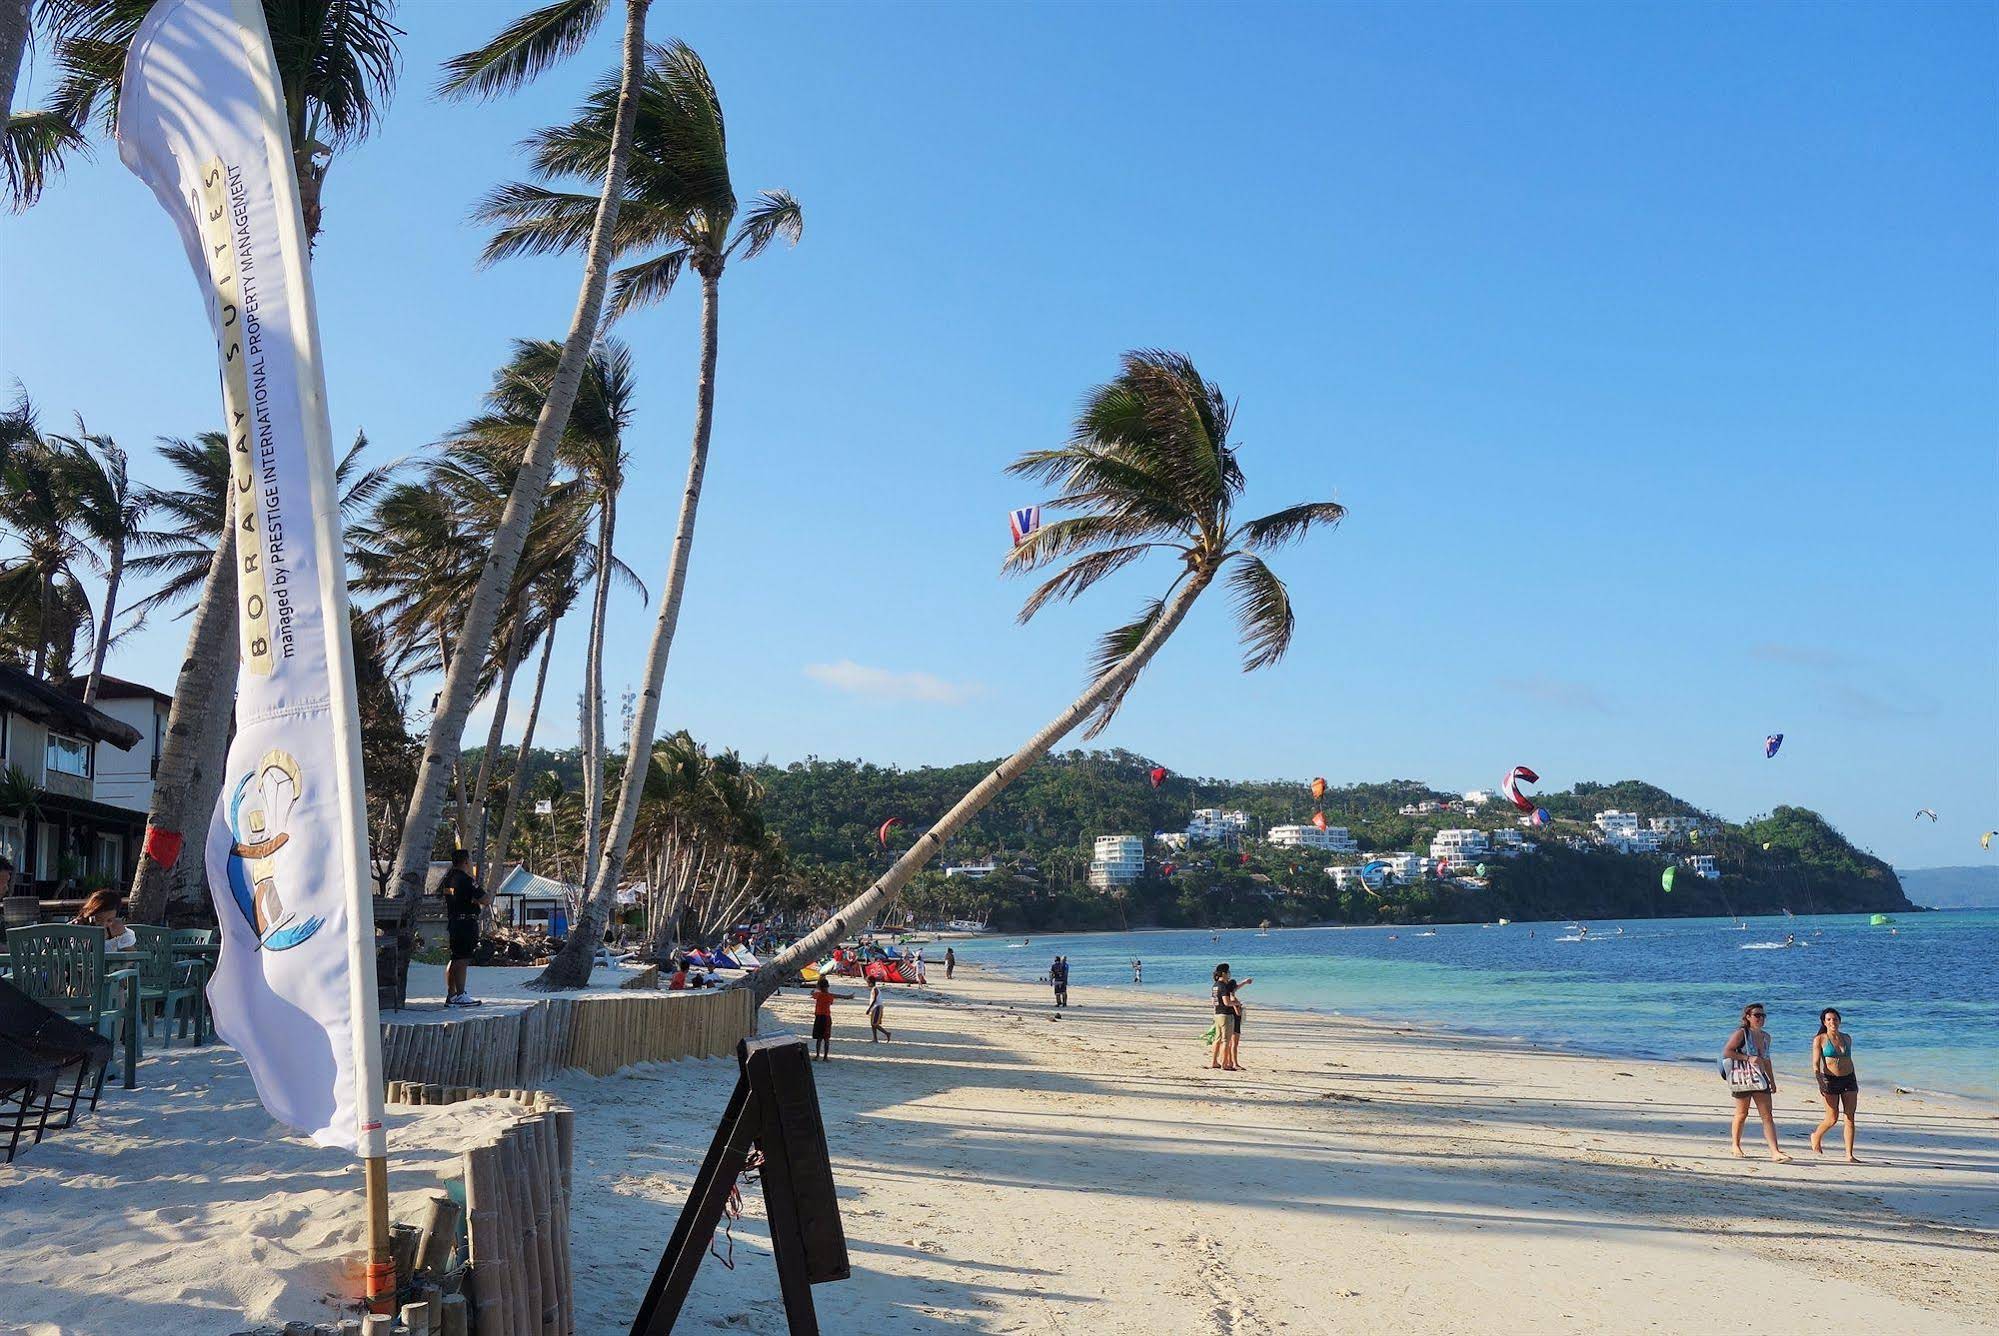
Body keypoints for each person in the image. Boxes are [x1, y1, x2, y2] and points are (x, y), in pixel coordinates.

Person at [1723, 1002, 1791, 1162]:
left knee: (1767, 1115)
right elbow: (1727, 1051)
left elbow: (1766, 1059)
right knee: (1742, 1113)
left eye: (1763, 1015)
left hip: (1760, 1079)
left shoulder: (1766, 1037)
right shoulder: (1741, 1033)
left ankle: (1775, 1151)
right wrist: (1747, 1058)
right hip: (1742, 1077)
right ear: (1748, 1017)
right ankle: (1735, 1145)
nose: (1760, 1018)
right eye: (1757, 1015)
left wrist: (1772, 1081)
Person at [1810, 1007, 1861, 1162]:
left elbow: (1849, 1060)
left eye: (1835, 1019)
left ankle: (1849, 1154)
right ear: (1824, 1022)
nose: (1833, 1022)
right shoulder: (1820, 1039)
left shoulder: (1847, 1038)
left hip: (1849, 1079)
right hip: (1830, 1081)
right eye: (1829, 1019)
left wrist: (1854, 1079)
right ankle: (1816, 1135)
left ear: (1840, 1021)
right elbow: (1816, 1064)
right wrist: (1820, 1082)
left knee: (1850, 1117)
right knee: (1832, 1118)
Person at [438, 848, 485, 1007]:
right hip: (466, 923)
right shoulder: (466, 879)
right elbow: (485, 899)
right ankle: (460, 994)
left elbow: (451, 897)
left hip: (454, 921)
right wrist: (480, 898)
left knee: (455, 958)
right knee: (463, 959)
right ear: (466, 861)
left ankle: (451, 994)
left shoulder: (448, 878)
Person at [1208, 963, 1251, 1070]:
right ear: (1224, 973)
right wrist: (1237, 1004)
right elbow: (1227, 1002)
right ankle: (1224, 1064)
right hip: (1226, 1015)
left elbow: (1213, 1001)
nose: (1229, 974)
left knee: (1217, 1039)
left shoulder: (1215, 985)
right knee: (1226, 1040)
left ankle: (1214, 1062)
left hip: (1217, 1014)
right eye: (1228, 972)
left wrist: (1244, 982)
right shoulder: (1223, 986)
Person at [810, 976, 838, 1061]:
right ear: (827, 987)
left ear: (819, 987)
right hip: (826, 1017)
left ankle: (817, 1055)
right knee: (826, 1038)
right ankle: (825, 1057)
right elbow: (831, 1002)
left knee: (819, 1038)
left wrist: (817, 988)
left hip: (818, 1017)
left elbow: (812, 993)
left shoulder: (818, 995)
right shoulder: (829, 996)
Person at [866, 977, 891, 1042]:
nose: (867, 984)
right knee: (872, 1024)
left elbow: (874, 1000)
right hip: (875, 1007)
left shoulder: (875, 989)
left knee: (874, 1024)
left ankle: (887, 1033)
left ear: (871, 983)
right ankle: (875, 1039)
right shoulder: (874, 989)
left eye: (868, 982)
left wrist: (869, 1009)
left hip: (877, 1007)